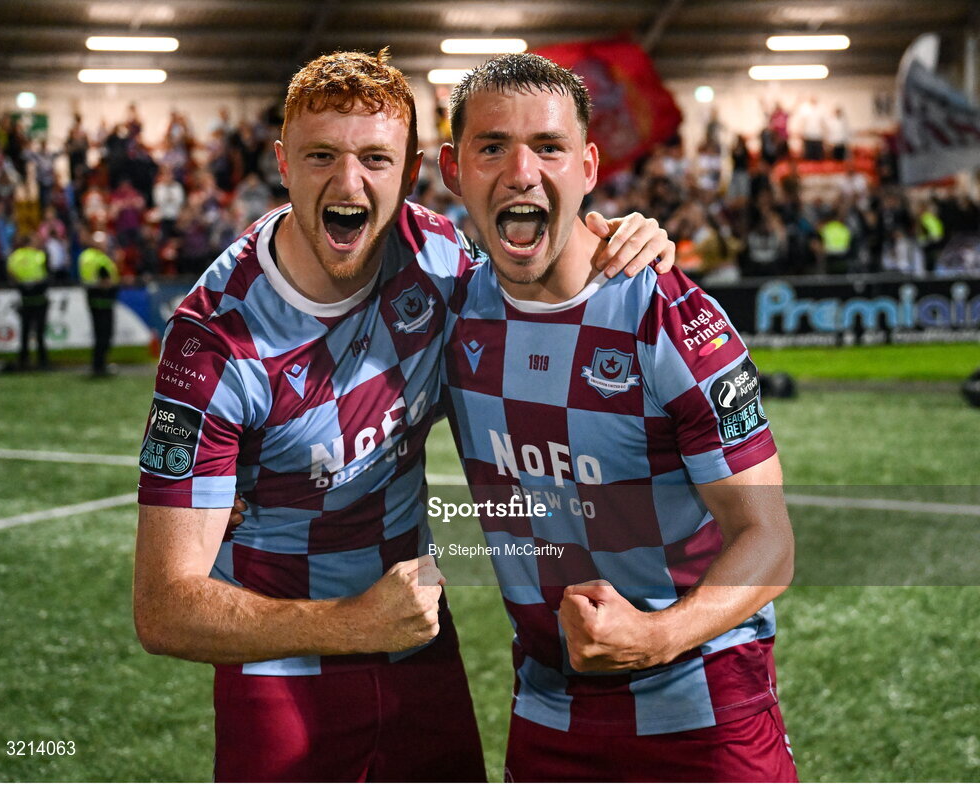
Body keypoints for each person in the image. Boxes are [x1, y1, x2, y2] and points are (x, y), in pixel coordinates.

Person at [132, 49, 674, 782]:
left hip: (417, 647)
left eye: (375, 159)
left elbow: (544, 277)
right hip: (280, 668)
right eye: (321, 155)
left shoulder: (438, 259)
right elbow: (163, 607)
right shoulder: (214, 339)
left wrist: (625, 233)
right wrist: (353, 621)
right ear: (282, 163)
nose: (348, 181)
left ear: (411, 170)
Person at [436, 54, 796, 781]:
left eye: (548, 146)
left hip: (704, 706)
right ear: (453, 169)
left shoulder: (668, 315)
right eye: (492, 146)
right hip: (548, 707)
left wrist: (658, 636)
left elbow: (770, 539)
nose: (521, 171)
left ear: (588, 165)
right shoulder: (446, 317)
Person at [6, 232, 49, 370]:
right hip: (38, 298)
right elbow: (46, 273)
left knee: (25, 332)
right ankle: (42, 361)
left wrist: (21, 283)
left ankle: (24, 360)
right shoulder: (39, 255)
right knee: (39, 332)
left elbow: (10, 272)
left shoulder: (15, 256)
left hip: (26, 298)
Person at [78, 232, 120, 376]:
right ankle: (100, 366)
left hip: (94, 299)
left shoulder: (84, 257)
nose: (106, 245)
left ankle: (98, 364)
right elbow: (105, 279)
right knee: (104, 333)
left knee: (99, 334)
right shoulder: (100, 259)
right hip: (103, 300)